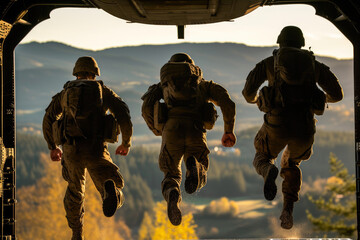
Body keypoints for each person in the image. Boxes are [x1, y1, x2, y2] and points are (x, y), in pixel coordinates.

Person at [242, 26, 343, 229]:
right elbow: (337, 94)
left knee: (261, 156)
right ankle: (287, 208)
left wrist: (258, 101)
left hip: (276, 124)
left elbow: (247, 93)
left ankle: (268, 169)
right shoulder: (315, 66)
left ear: (280, 42)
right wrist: (323, 99)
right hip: (305, 128)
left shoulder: (269, 63)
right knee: (292, 165)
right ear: (302, 43)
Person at [42, 56, 133, 240]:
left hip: (71, 151)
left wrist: (52, 146)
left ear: (76, 73)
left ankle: (77, 232)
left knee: (75, 192)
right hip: (96, 149)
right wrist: (126, 142)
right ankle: (110, 189)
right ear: (94, 73)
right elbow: (123, 115)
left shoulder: (65, 93)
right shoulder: (102, 91)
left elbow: (48, 119)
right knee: (112, 184)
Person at [141, 53, 236, 226]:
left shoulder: (163, 85)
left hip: (171, 130)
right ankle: (195, 166)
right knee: (201, 168)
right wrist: (228, 130)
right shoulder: (203, 84)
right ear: (192, 67)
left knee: (170, 173)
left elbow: (147, 105)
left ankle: (172, 192)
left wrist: (157, 129)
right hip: (195, 130)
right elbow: (227, 102)